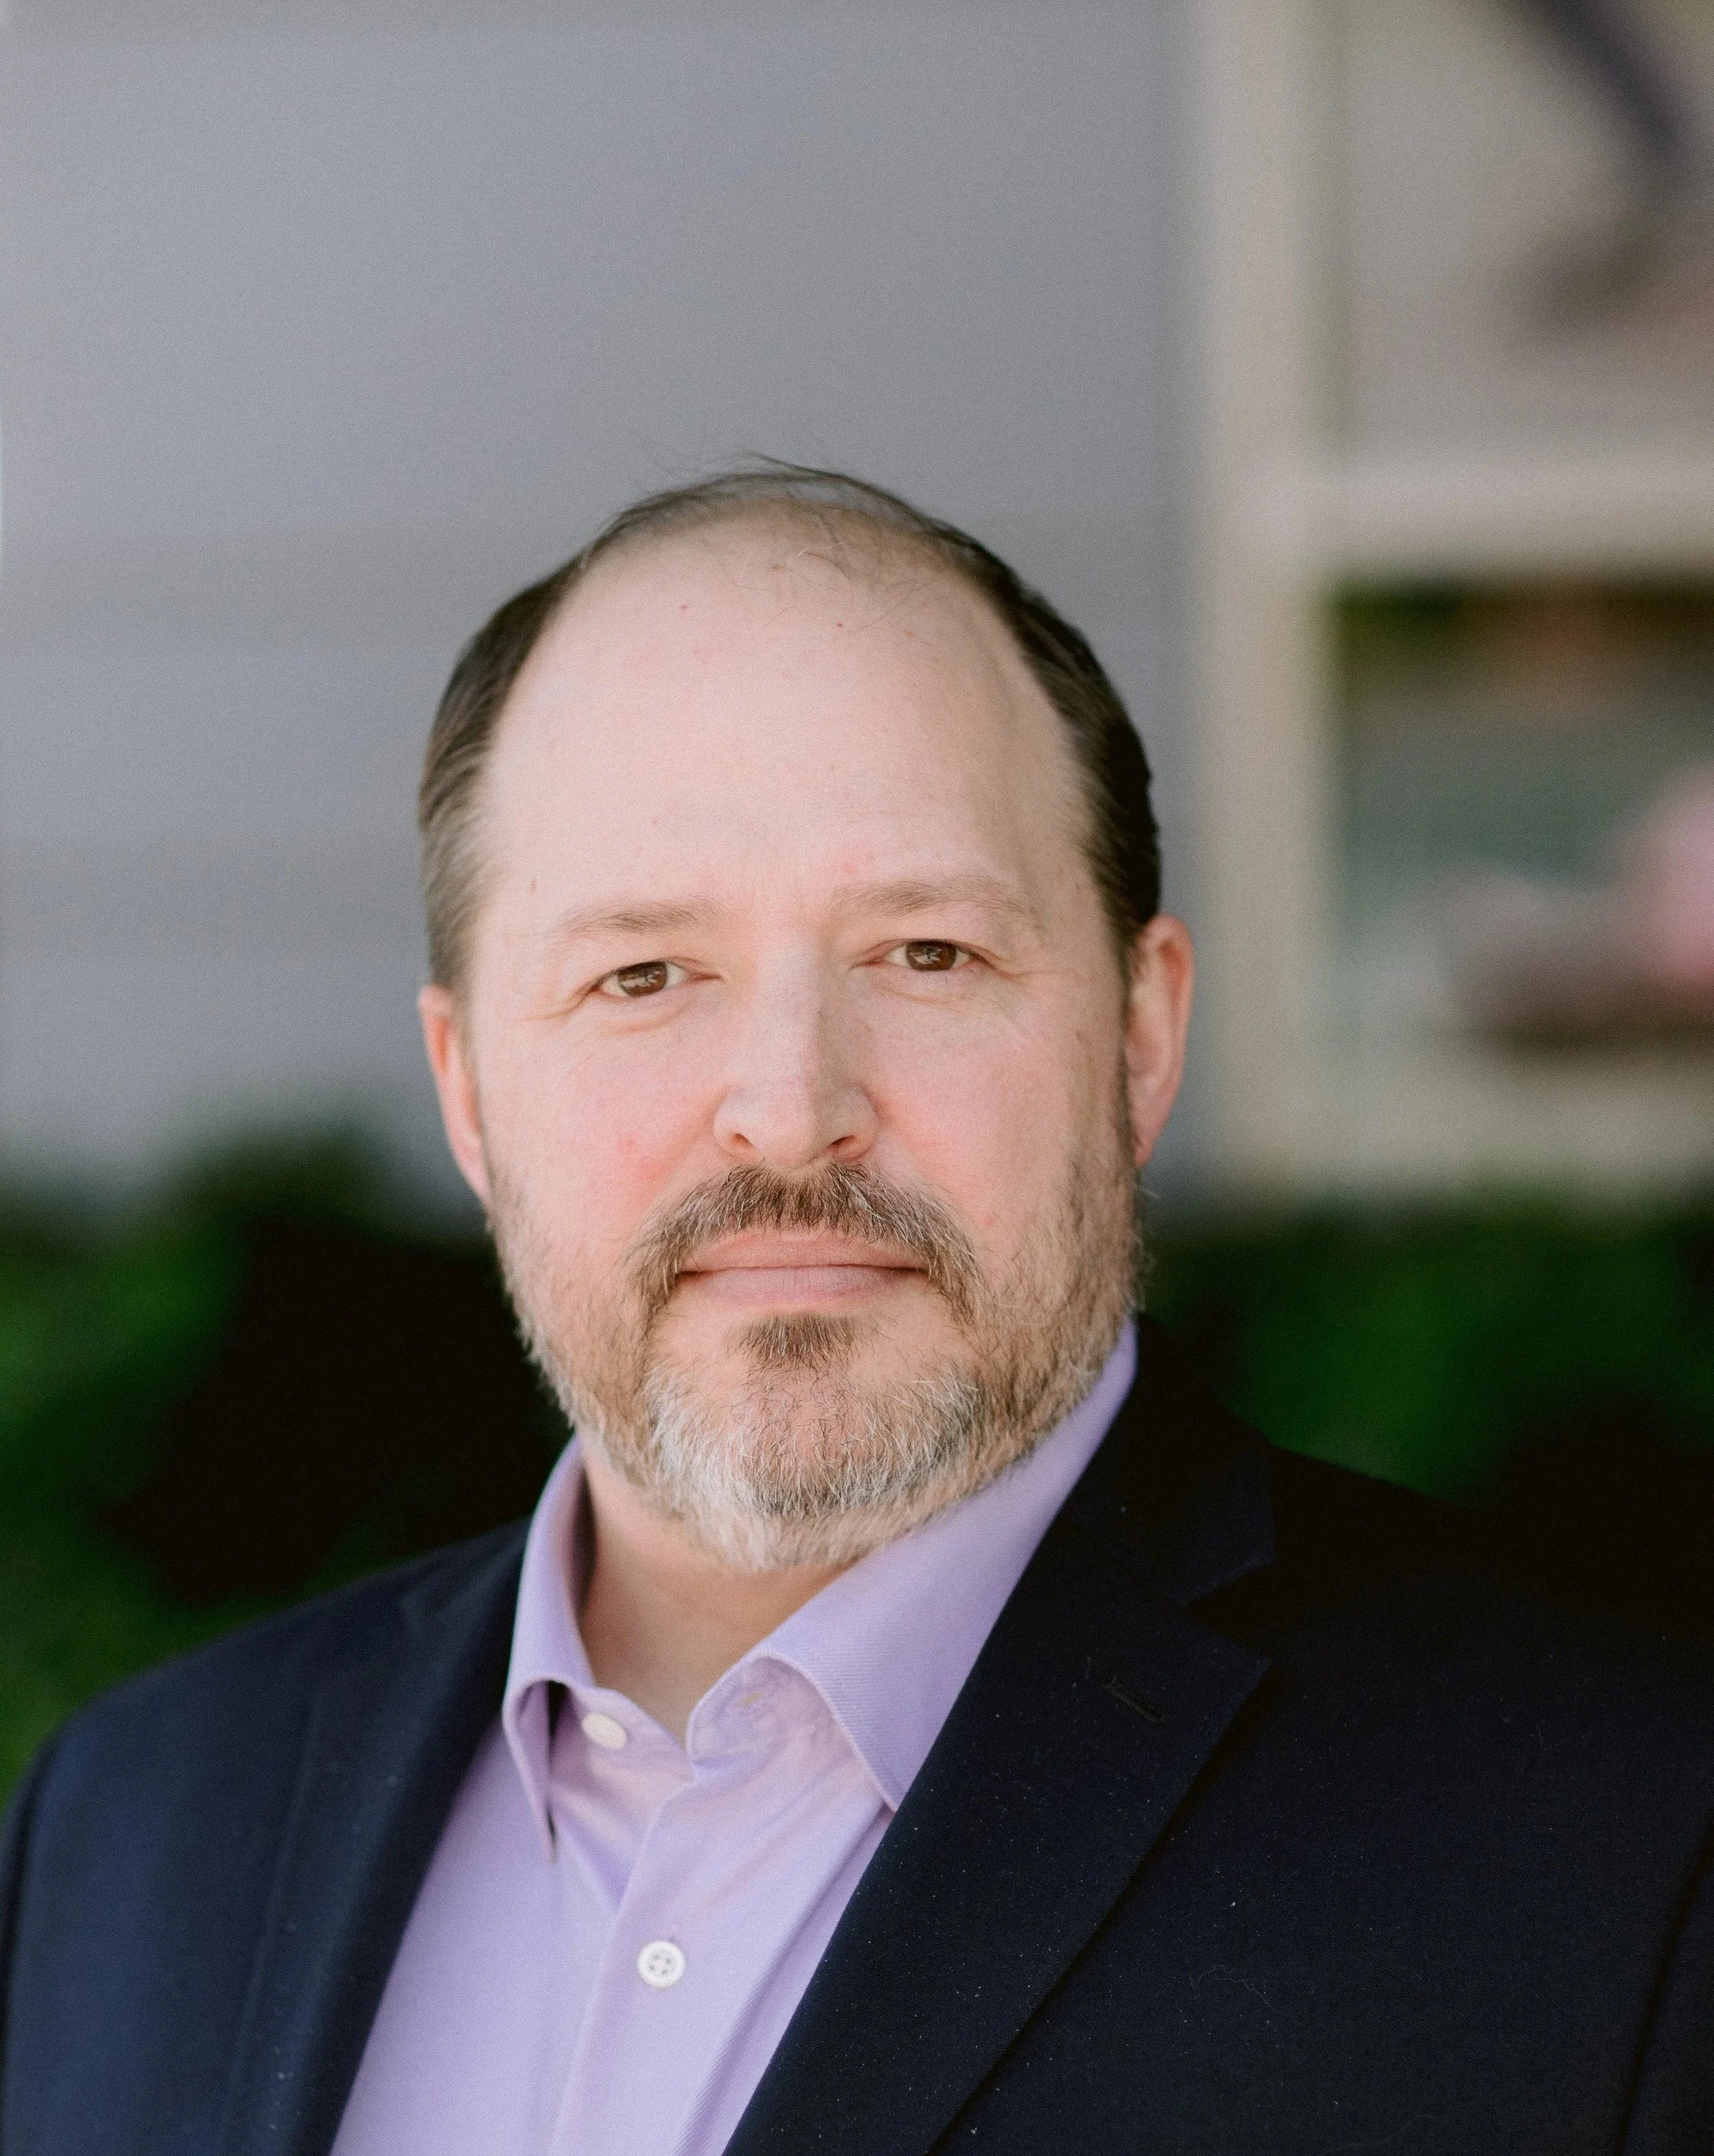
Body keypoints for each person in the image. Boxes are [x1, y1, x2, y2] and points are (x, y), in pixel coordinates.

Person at [2, 464, 1711, 2156]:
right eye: (643, 974)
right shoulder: (128, 1827)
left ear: (1137, 1034)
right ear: (468, 1090)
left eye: (925, 952)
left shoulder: (1625, 1850)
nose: (787, 1103)